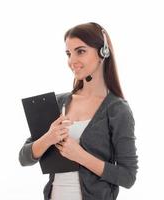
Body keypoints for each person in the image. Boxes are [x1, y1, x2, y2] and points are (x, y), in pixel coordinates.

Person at [19, 22, 138, 200]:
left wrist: (81, 156)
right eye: (68, 53)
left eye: (80, 51)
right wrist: (49, 138)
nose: (72, 61)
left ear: (102, 53)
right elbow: (24, 157)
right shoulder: (58, 103)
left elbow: (128, 177)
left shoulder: (117, 110)